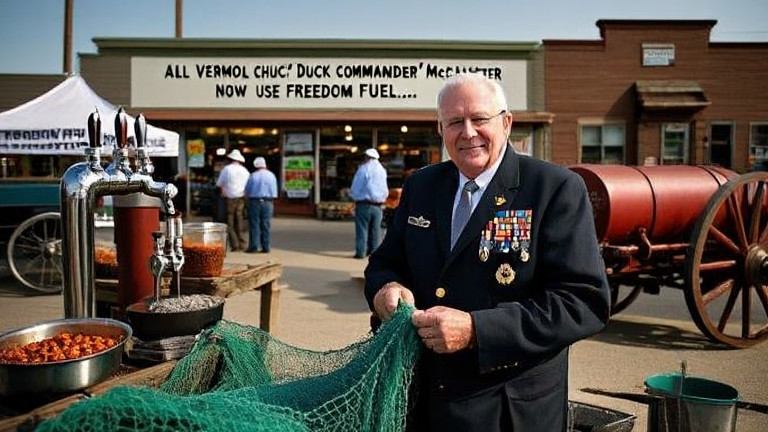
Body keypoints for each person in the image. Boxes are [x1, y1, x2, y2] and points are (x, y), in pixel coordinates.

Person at [364, 73, 611, 431]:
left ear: (506, 123)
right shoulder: (422, 185)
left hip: (504, 410)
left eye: (479, 119)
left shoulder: (554, 188)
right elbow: (386, 263)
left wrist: (477, 329)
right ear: (441, 129)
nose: (468, 132)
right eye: (454, 122)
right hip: (423, 401)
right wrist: (385, 290)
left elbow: (583, 303)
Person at [350, 148, 389, 259]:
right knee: (376, 231)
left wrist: (354, 196)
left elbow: (356, 186)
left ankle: (360, 253)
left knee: (362, 229)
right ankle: (374, 253)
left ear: (367, 157)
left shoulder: (364, 169)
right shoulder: (382, 170)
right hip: (378, 205)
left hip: (364, 204)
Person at [216, 149, 250, 252]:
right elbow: (249, 185)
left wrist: (224, 191)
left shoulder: (226, 169)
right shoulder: (245, 171)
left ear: (231, 159)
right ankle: (242, 244)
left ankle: (234, 244)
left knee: (230, 222)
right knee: (239, 219)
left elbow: (219, 184)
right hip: (241, 198)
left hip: (230, 198)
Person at [244, 157, 278, 253]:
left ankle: (253, 246)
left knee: (254, 224)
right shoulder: (272, 176)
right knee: (266, 224)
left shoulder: (253, 176)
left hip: (254, 201)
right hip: (268, 202)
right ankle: (266, 247)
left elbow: (247, 190)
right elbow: (274, 192)